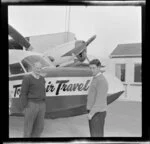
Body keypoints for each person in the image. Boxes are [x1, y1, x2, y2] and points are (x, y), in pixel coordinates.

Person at [20, 61, 46, 137]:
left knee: (39, 128)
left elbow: (42, 91)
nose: (39, 70)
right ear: (33, 68)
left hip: (42, 105)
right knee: (28, 128)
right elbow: (23, 93)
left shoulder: (42, 79)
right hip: (31, 104)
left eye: (40, 68)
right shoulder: (27, 78)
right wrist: (24, 107)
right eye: (37, 68)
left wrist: (43, 104)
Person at [87, 59, 108, 137]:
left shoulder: (101, 80)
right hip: (94, 111)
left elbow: (100, 101)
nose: (92, 70)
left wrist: (91, 113)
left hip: (97, 113)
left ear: (99, 68)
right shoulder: (95, 78)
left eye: (94, 68)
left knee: (96, 136)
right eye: (90, 68)